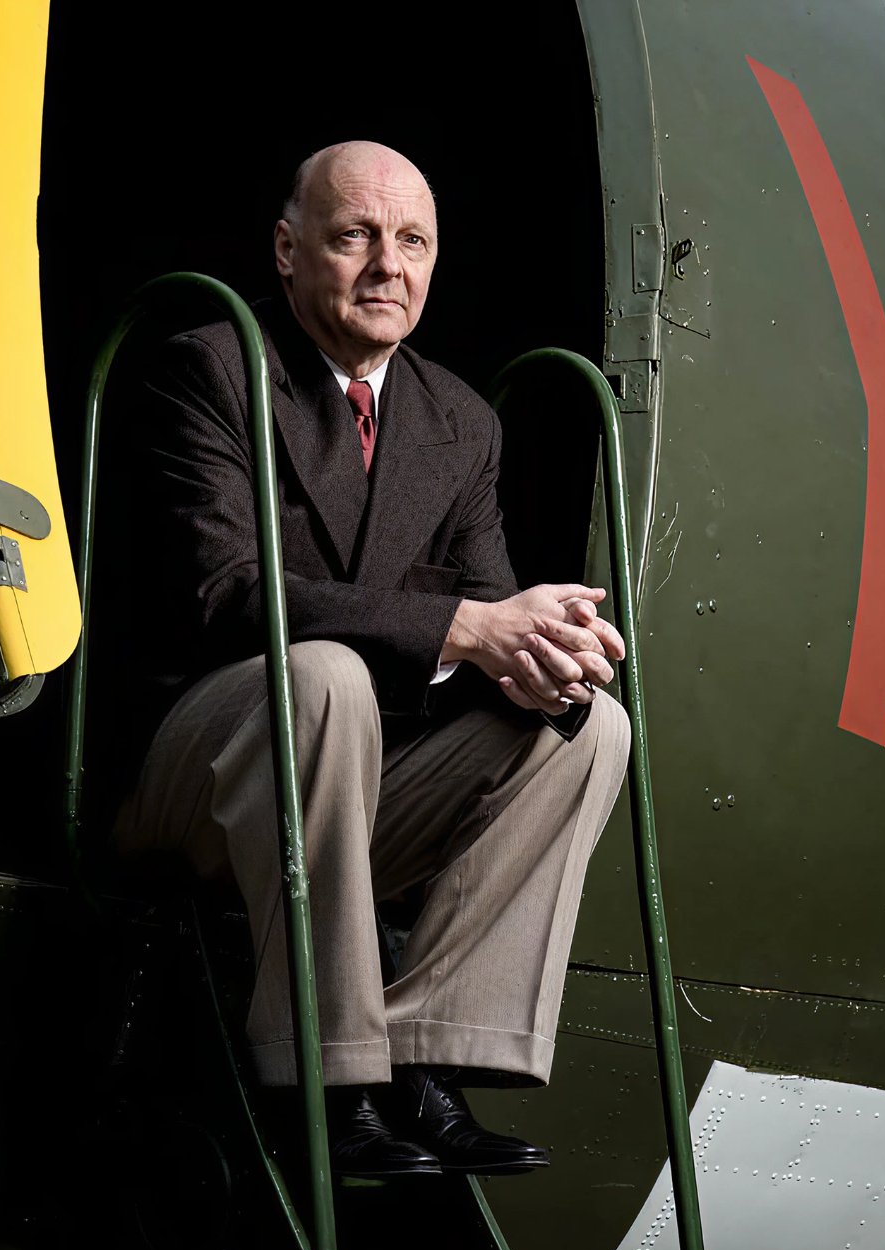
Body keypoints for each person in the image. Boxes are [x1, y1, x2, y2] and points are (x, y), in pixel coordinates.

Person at [112, 141, 631, 1177]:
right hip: (205, 779)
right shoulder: (213, 367)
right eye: (355, 236)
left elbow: (488, 614)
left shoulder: (459, 422)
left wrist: (544, 654)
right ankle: (330, 1075)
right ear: (288, 249)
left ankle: (424, 1050)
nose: (388, 266)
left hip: (350, 806)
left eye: (413, 243)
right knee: (325, 676)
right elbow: (227, 595)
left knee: (587, 731)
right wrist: (464, 629)